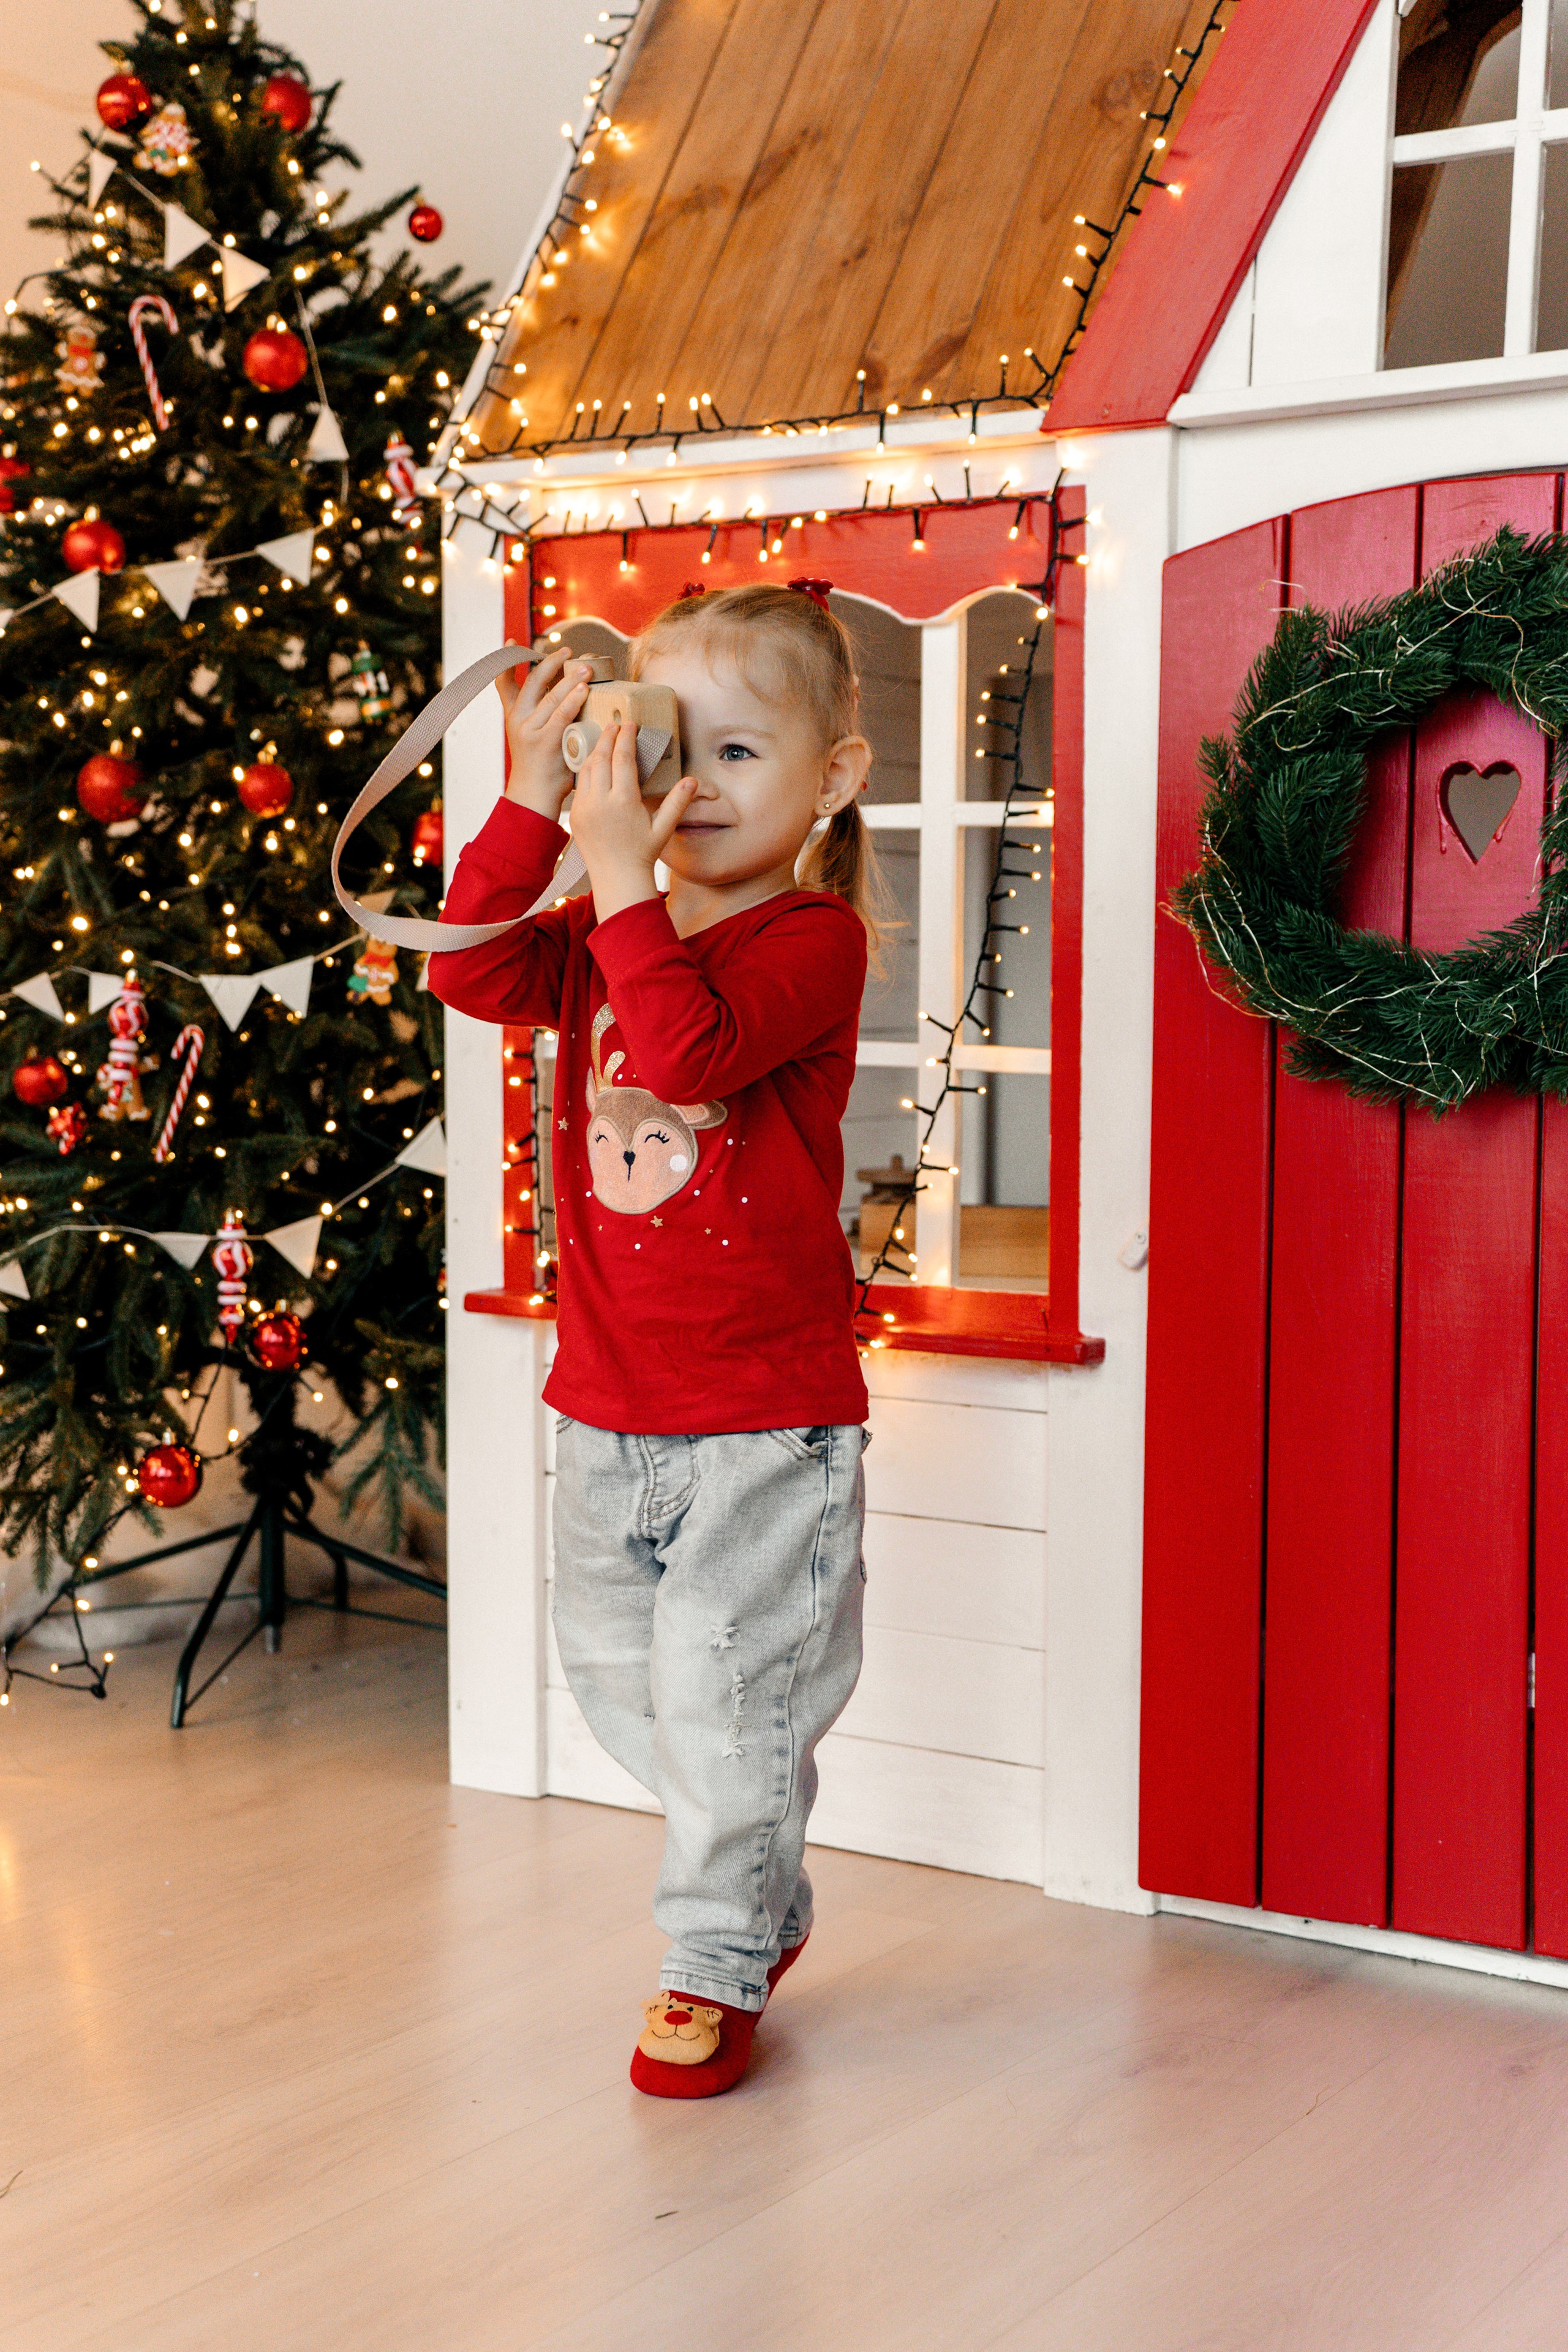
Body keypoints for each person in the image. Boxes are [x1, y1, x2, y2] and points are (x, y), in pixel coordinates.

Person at [428, 582, 884, 2098]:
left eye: (738, 756)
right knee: (623, 1675)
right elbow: (467, 967)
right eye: (666, 749)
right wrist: (526, 806)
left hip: (767, 1412)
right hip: (609, 1399)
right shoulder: (602, 926)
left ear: (831, 779)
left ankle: (709, 1955)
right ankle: (756, 1888)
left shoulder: (810, 940)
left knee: (725, 1685)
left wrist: (621, 877)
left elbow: (684, 1044)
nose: (691, 792)